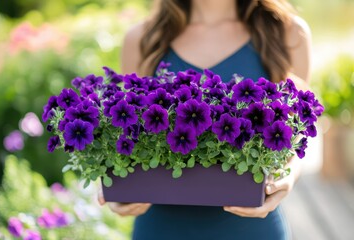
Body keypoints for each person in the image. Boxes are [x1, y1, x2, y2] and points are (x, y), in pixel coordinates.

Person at [98, 0, 311, 239]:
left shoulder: (288, 32)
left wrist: (286, 178)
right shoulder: (143, 38)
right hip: (163, 228)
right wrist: (117, 184)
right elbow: (126, 130)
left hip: (251, 227)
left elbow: (299, 137)